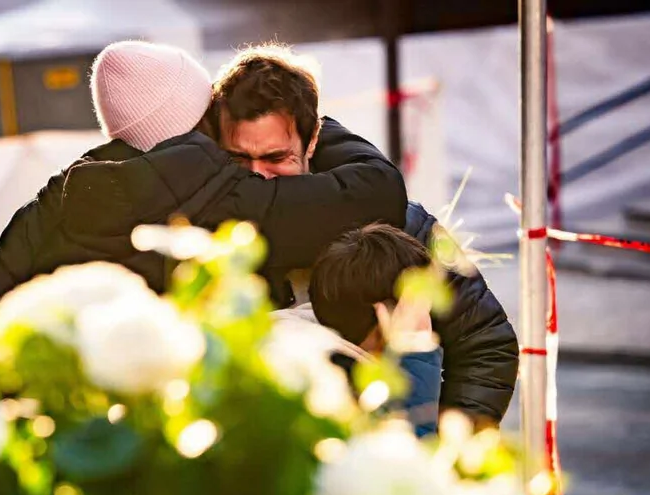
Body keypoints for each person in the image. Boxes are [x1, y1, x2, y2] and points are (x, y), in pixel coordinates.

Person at [0, 40, 408, 316]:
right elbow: (379, 192)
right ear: (203, 124)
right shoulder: (221, 195)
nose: (257, 171)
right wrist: (309, 121)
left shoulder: (62, 192)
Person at [207, 44, 518, 430]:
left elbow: (485, 344)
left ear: (312, 140)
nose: (257, 176)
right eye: (238, 159)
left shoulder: (399, 220)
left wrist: (443, 443)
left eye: (276, 158)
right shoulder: (208, 229)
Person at [305, 223, 443, 436]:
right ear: (385, 316)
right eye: (418, 307)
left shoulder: (303, 336)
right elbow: (411, 450)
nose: (426, 315)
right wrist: (417, 351)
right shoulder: (341, 398)